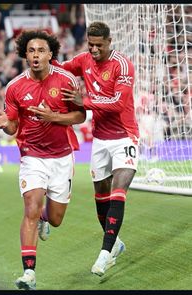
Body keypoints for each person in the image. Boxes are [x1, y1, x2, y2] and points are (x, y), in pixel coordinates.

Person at [0, 30, 86, 290]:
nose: (36, 55)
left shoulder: (66, 81)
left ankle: (46, 220)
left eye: (41, 50)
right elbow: (12, 126)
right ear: (25, 54)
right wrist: (5, 125)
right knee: (30, 209)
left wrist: (53, 117)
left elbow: (80, 117)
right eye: (31, 50)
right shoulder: (15, 87)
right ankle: (29, 274)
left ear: (51, 54)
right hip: (32, 156)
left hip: (62, 157)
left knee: (55, 218)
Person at [52, 21, 140, 276]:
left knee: (118, 191)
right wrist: (43, 58)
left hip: (124, 136)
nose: (93, 49)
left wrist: (85, 101)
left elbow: (119, 102)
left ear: (109, 42)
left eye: (98, 45)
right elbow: (61, 69)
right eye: (90, 44)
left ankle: (104, 253)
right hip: (100, 140)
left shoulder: (122, 65)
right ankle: (116, 243)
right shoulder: (83, 59)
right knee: (100, 198)